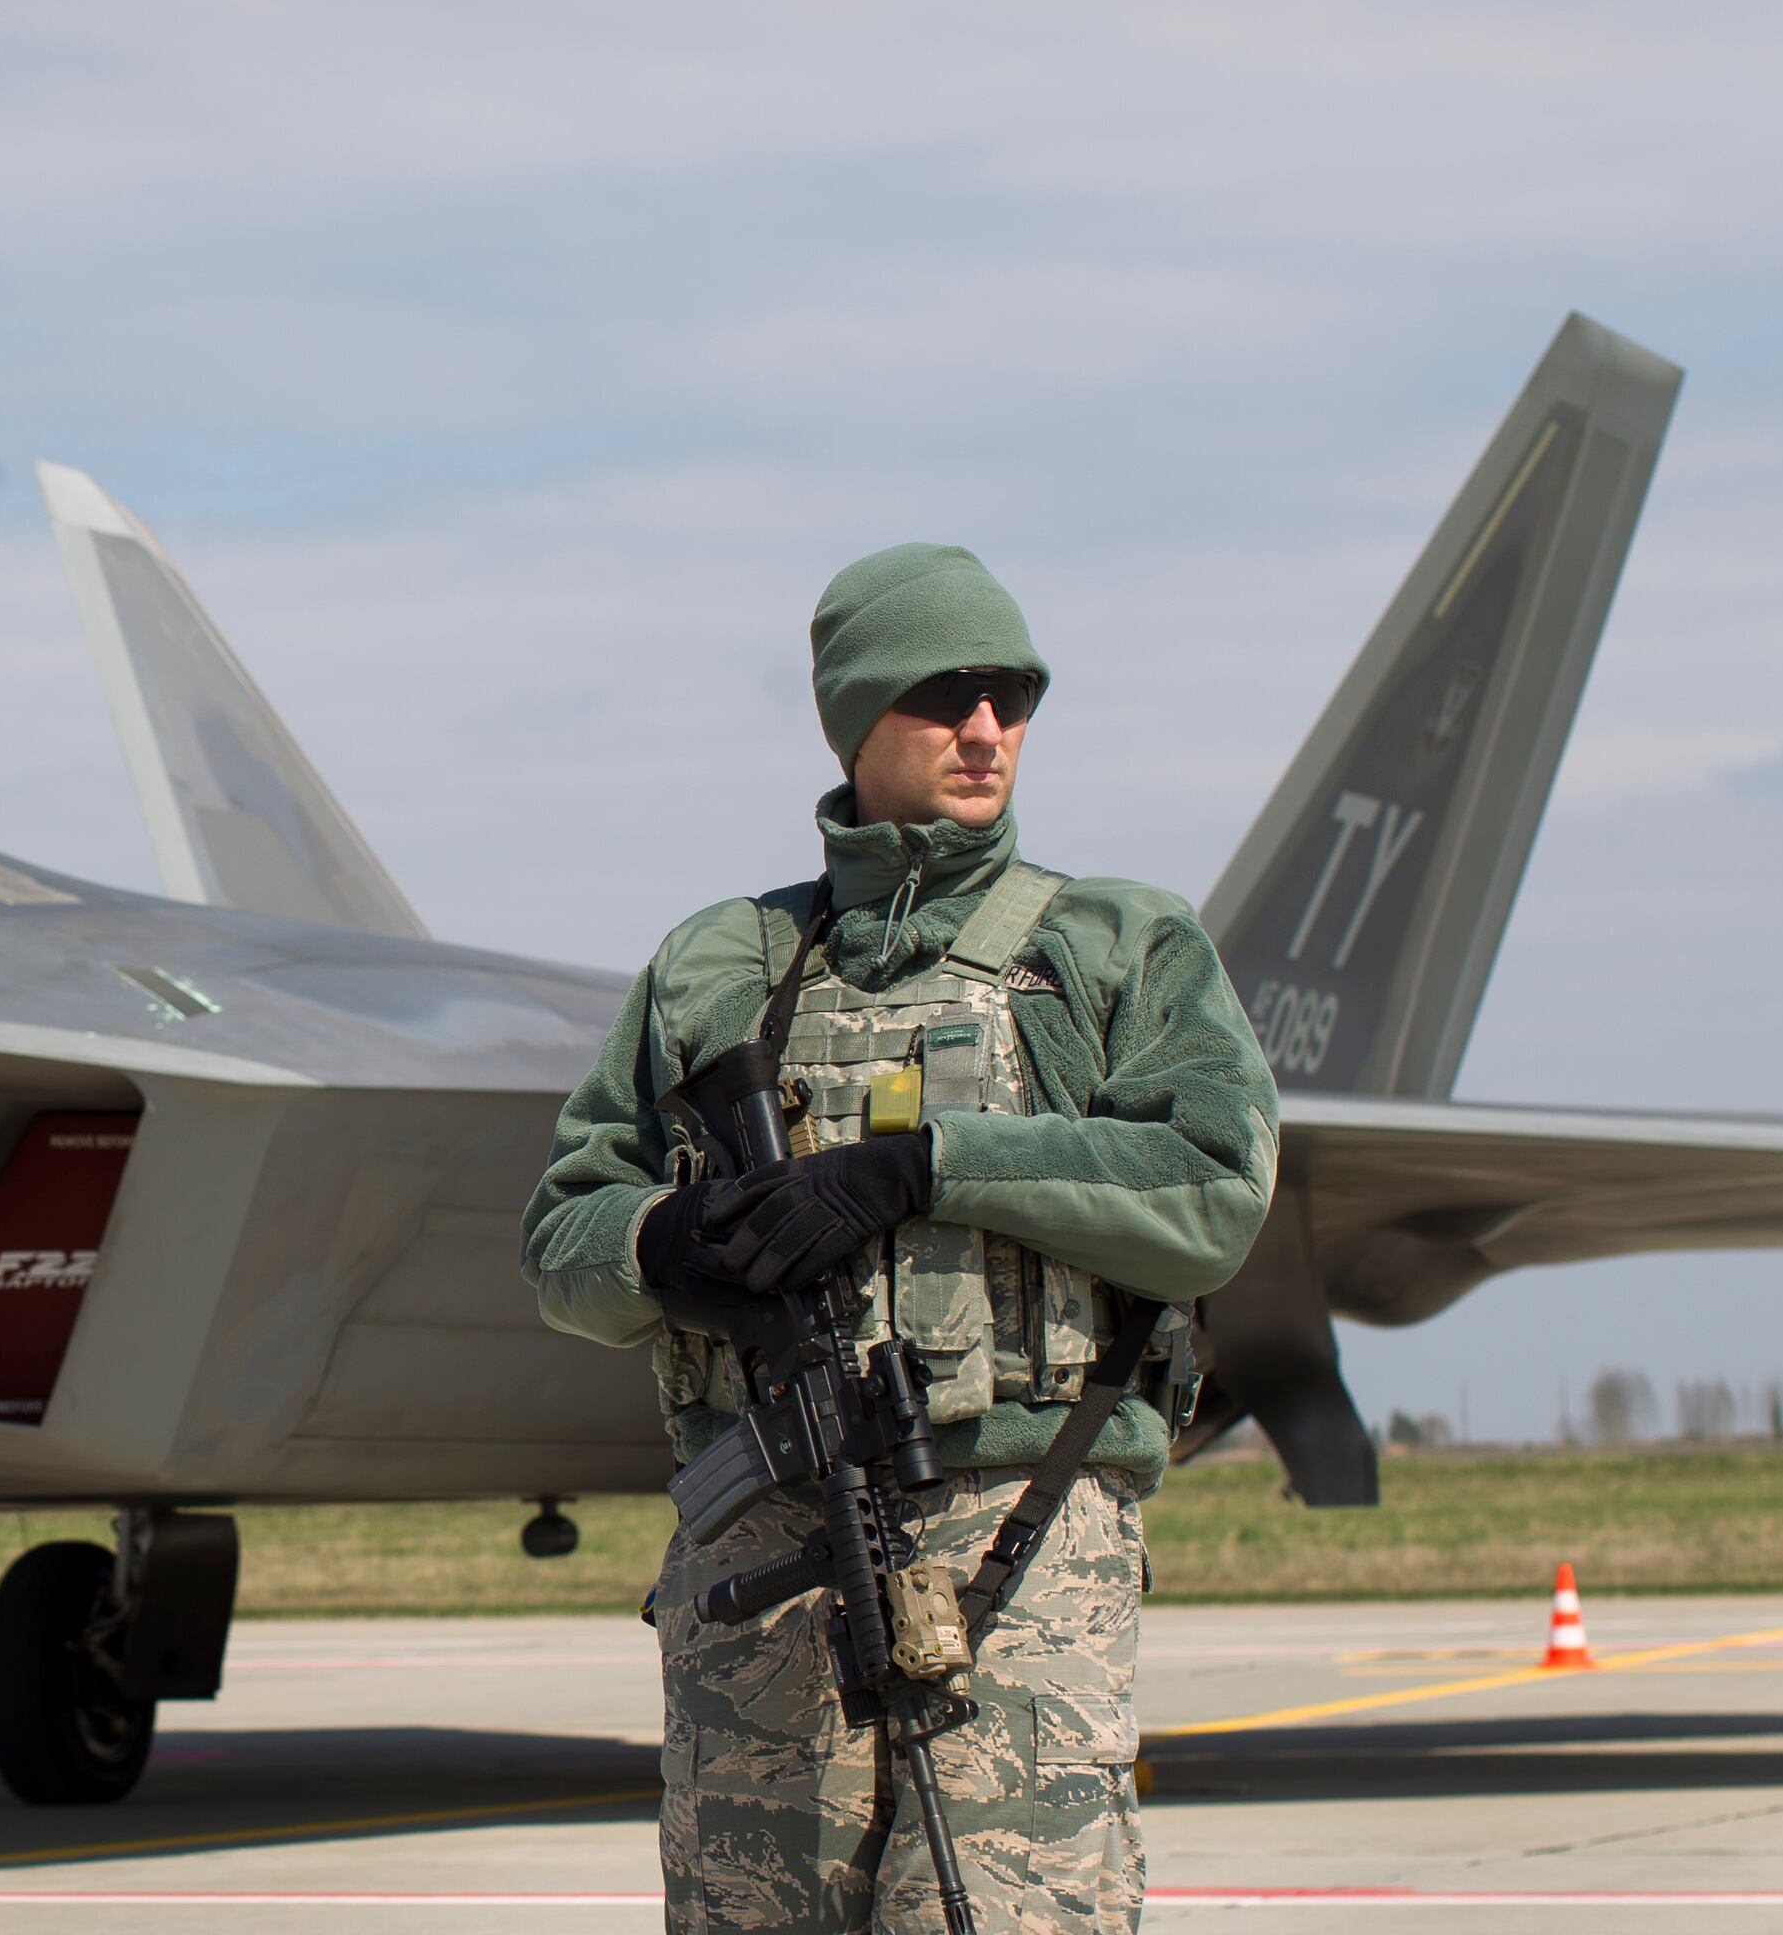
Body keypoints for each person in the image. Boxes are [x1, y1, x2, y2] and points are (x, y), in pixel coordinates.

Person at [521, 544, 1277, 1934]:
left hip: (1020, 1528)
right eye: (946, 696)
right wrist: (665, 1244)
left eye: (1011, 696)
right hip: (763, 1547)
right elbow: (563, 1230)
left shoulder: (1114, 948)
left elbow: (1211, 1191)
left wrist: (931, 1167)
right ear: (856, 719)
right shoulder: (719, 966)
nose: (988, 730)